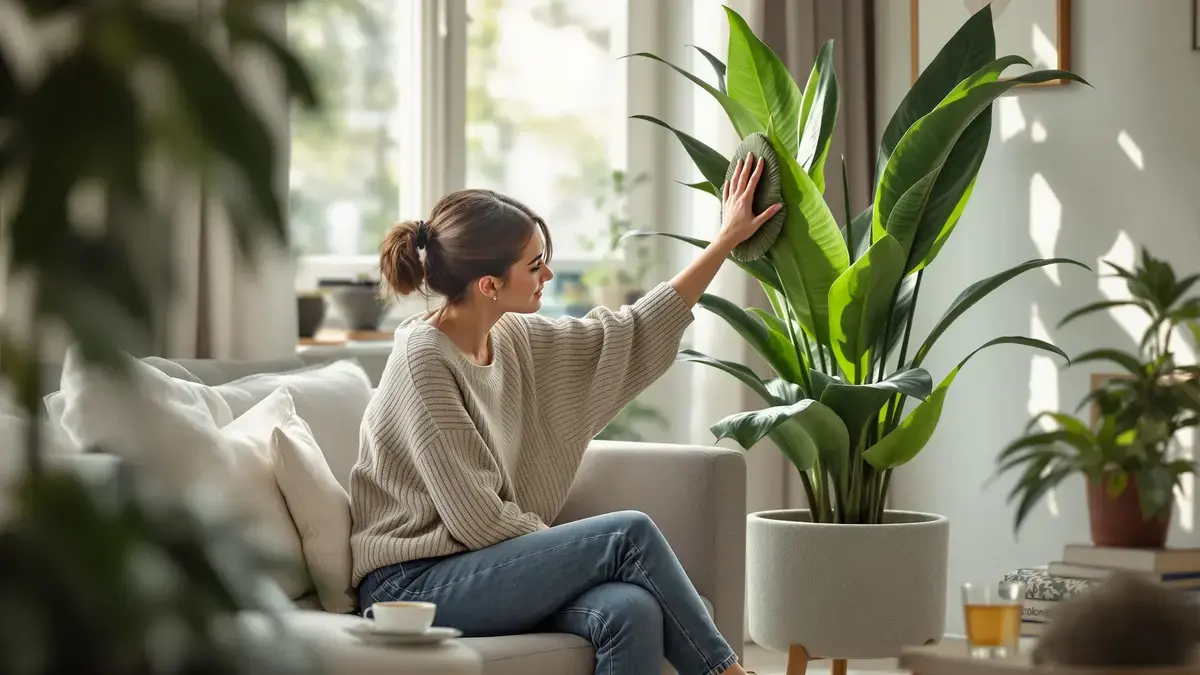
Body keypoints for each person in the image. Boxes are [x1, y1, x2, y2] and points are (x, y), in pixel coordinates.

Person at [349, 153, 781, 675]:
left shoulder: (511, 336)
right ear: (489, 285)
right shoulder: (424, 361)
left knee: (631, 609)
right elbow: (479, 519)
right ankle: (727, 673)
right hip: (409, 583)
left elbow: (627, 333)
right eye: (534, 265)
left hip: (475, 567)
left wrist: (724, 243)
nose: (547, 274)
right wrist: (575, 553)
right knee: (627, 535)